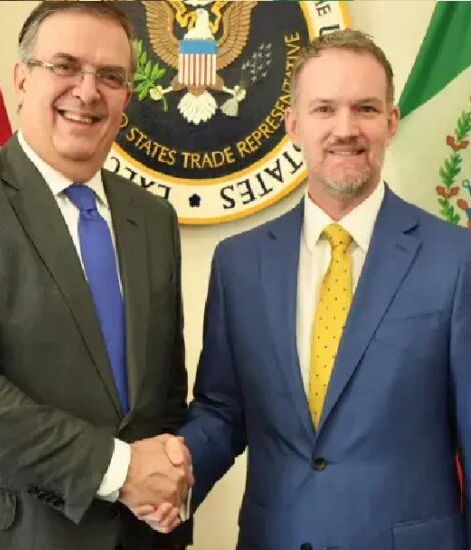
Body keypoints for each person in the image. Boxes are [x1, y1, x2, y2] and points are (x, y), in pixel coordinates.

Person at [143, 29, 471, 549]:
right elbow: (223, 410)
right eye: (324, 109)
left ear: (391, 122)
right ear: (293, 124)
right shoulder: (239, 263)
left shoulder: (457, 259)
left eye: (365, 108)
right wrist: (170, 477)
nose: (345, 128)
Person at [0, 2, 192, 549]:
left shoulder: (152, 217)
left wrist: (167, 494)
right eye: (65, 66)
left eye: (110, 76)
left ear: (126, 97)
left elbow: (163, 393)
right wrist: (121, 471)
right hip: (6, 536)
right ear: (22, 78)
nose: (88, 92)